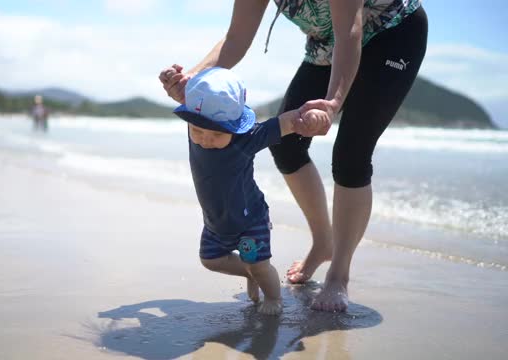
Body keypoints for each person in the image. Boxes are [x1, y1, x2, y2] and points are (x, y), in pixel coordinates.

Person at [160, 0, 428, 312]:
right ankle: (323, 242)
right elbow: (235, 39)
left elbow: (350, 33)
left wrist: (332, 102)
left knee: (351, 155)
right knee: (287, 146)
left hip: (391, 35)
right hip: (326, 43)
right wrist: (190, 80)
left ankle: (338, 277)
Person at [172, 66, 330, 315]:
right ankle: (251, 272)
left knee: (257, 263)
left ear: (234, 127)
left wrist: (308, 116)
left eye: (216, 133)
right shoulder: (196, 127)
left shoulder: (248, 139)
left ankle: (274, 297)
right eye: (198, 130)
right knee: (210, 260)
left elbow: (285, 122)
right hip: (216, 223)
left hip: (249, 222)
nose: (205, 139)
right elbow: (194, 102)